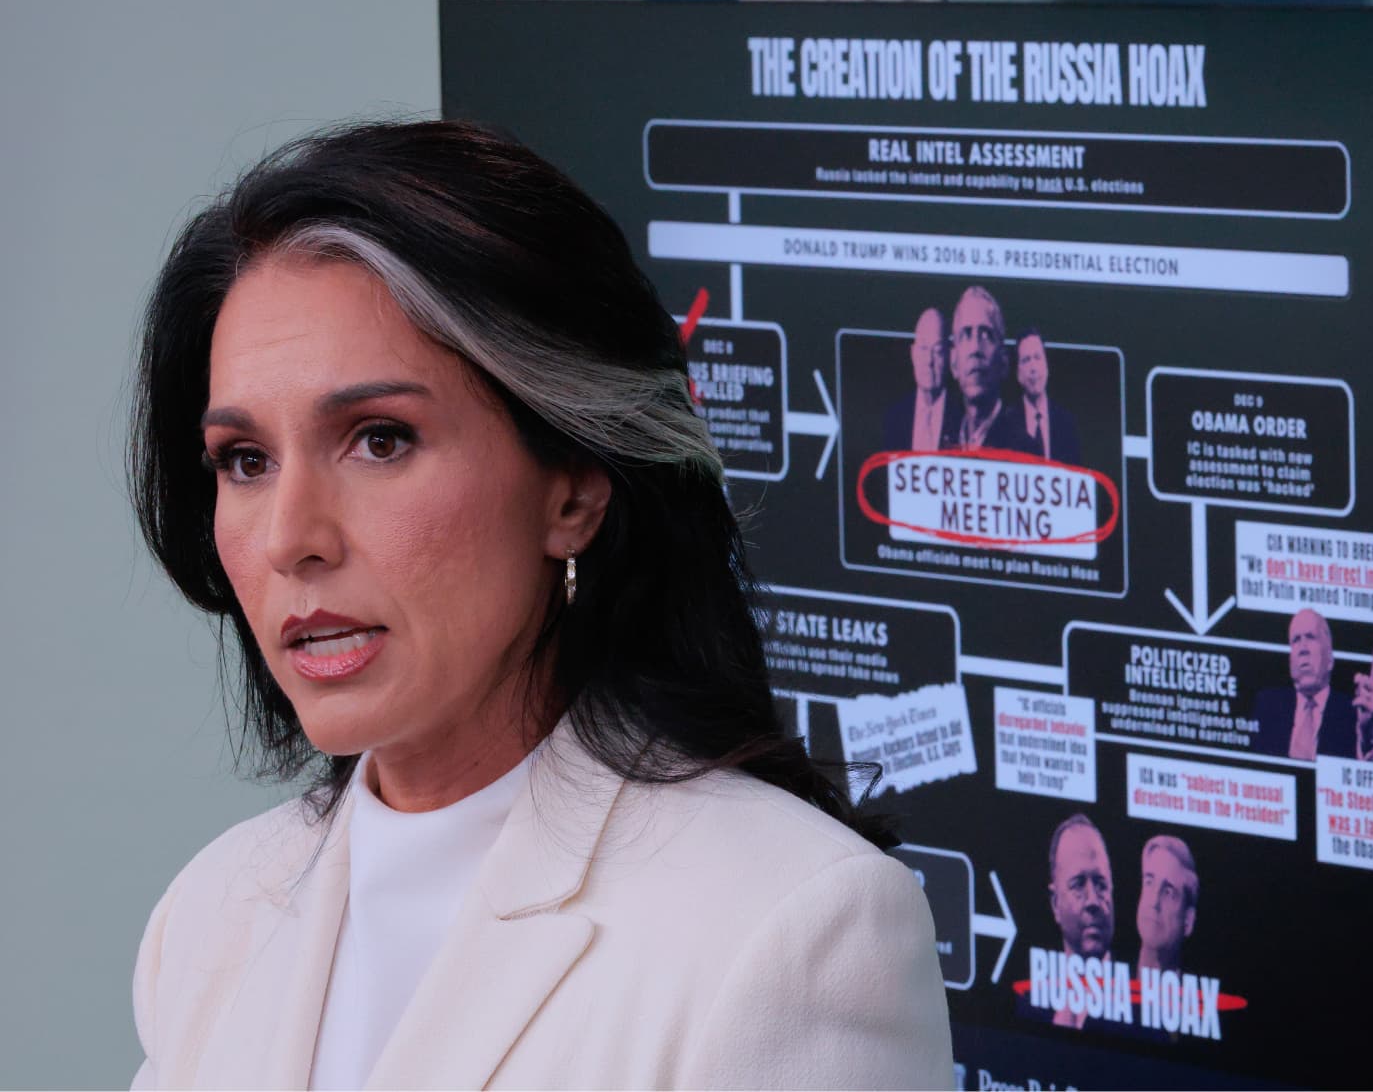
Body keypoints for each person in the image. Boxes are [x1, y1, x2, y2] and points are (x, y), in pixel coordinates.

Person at [125, 121, 952, 1090]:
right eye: (246, 460)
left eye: (380, 440)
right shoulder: (214, 912)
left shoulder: (791, 925)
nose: (290, 537)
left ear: (573, 489)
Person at [1249, 609, 1373, 761]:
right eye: (1296, 640)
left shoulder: (1353, 712)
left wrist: (1366, 730)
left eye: (1311, 637)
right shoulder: (1267, 705)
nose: (1303, 649)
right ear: (1290, 659)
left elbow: (1366, 763)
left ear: (1330, 660)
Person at [941, 285, 1039, 454]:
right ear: (953, 363)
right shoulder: (941, 442)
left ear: (1004, 362)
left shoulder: (1025, 451)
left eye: (986, 335)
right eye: (966, 334)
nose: (975, 349)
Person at [1043, 813, 1114, 1029]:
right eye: (1078, 885)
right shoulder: (1028, 1003)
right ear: (1055, 904)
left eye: (1101, 885)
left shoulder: (1142, 1007)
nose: (1093, 900)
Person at [882, 307, 953, 452]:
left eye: (937, 351)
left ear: (949, 356)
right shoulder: (895, 417)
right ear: (913, 353)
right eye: (923, 349)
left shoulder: (966, 417)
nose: (929, 361)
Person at [1014, 328, 1082, 465]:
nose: (1033, 368)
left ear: (1046, 366)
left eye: (1037, 357)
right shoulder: (1006, 423)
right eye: (1026, 360)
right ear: (1018, 373)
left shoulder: (1067, 424)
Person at [1135, 834, 1198, 974]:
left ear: (1188, 919)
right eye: (1149, 882)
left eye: (1168, 892)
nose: (1154, 902)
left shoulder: (1199, 995)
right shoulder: (1106, 978)